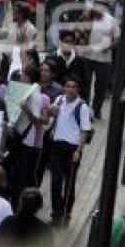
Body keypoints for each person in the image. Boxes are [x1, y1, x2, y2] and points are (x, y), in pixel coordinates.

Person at [46, 76, 91, 227]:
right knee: (55, 183)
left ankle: (66, 213)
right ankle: (55, 214)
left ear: (78, 89)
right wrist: (51, 111)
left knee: (69, 184)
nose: (70, 89)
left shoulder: (82, 107)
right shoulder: (59, 100)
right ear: (64, 87)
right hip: (57, 146)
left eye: (73, 87)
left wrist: (79, 150)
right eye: (67, 86)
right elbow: (50, 115)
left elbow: (85, 131)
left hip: (72, 149)